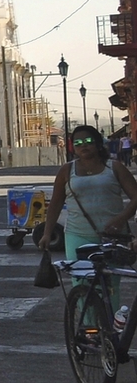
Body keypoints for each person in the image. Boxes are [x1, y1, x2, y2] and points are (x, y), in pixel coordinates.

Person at [42, 126, 137, 314]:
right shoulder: (66, 171)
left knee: (110, 285)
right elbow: (55, 203)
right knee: (82, 283)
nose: (83, 146)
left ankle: (109, 327)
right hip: (78, 235)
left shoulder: (114, 167)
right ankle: (88, 328)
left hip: (113, 238)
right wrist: (47, 233)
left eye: (88, 141)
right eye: (78, 143)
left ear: (98, 143)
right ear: (73, 147)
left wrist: (121, 218)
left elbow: (136, 197)